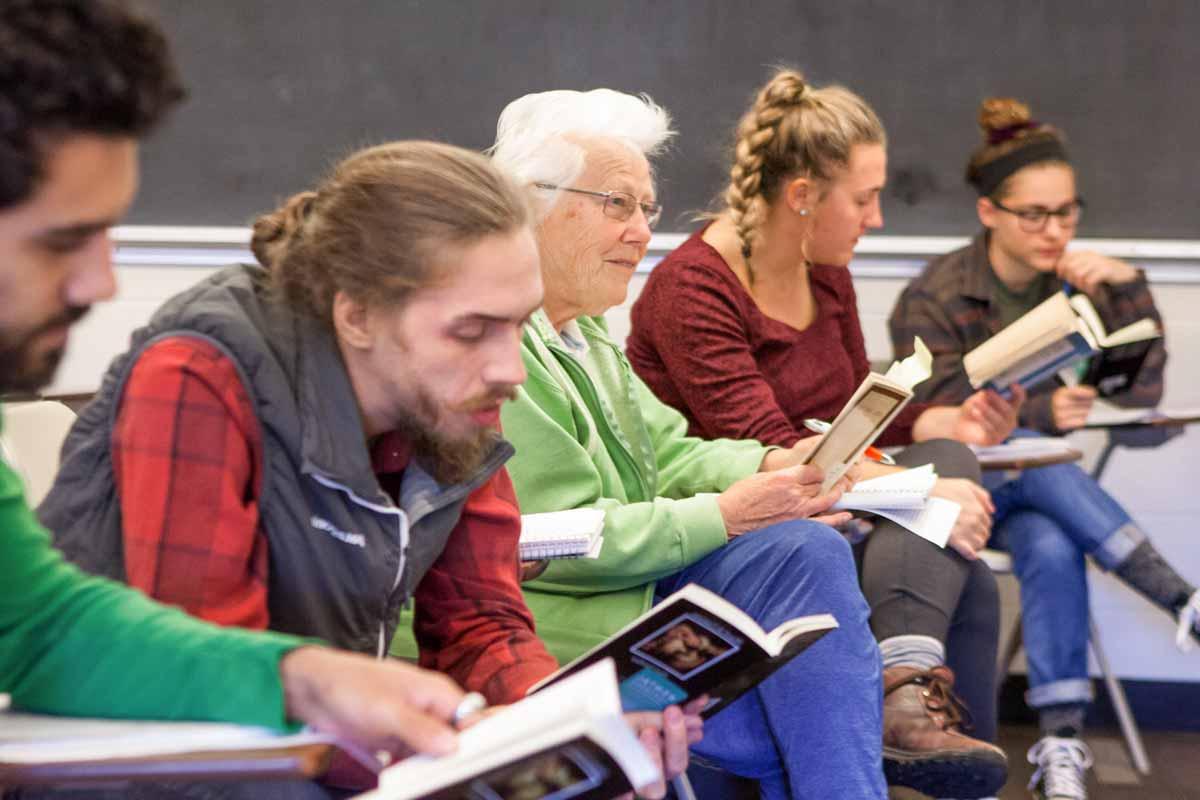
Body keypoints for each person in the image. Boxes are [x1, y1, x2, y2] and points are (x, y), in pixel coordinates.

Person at [0, 0, 494, 772]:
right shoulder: (203, 362)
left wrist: (306, 681)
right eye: (64, 240)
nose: (102, 281)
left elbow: (38, 629)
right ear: (359, 314)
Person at [477, 85, 896, 800]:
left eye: (647, 208)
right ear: (531, 205)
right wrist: (729, 514)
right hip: (568, 635)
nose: (642, 232)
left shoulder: (585, 336)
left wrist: (775, 463)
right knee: (811, 679)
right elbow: (555, 539)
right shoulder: (497, 347)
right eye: (618, 205)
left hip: (639, 596)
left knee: (811, 552)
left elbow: (668, 452)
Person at [625, 70, 1020, 800]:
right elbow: (773, 446)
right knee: (960, 559)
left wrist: (943, 425)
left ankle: (907, 700)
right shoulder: (692, 290)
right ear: (803, 196)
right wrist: (921, 492)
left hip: (835, 502)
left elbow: (851, 412)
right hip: (747, 524)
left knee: (949, 457)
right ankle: (905, 706)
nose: (875, 218)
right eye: (864, 198)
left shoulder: (825, 272)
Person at [888, 96, 1200, 800]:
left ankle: (1060, 746)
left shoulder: (1083, 279)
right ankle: (1179, 597)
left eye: (1067, 212)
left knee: (1054, 544)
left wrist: (1125, 291)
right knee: (1030, 441)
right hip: (952, 489)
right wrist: (1035, 408)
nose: (1054, 230)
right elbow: (923, 413)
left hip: (1034, 497)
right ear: (990, 212)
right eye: (1035, 214)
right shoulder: (936, 293)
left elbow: (1143, 393)